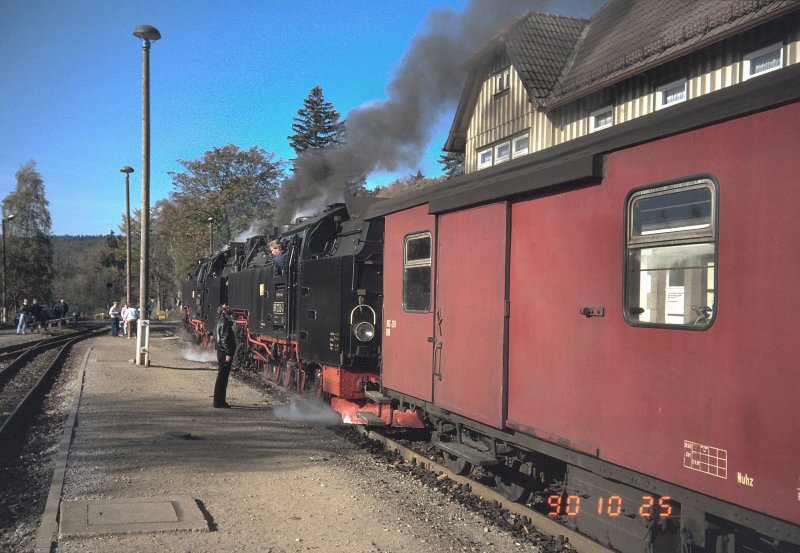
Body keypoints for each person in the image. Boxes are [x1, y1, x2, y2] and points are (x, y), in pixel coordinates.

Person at [212, 304, 237, 408]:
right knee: (222, 378)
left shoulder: (218, 321)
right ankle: (219, 402)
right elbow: (224, 339)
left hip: (220, 352)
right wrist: (228, 353)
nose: (229, 315)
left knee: (222, 378)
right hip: (224, 353)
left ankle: (220, 401)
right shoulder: (224, 322)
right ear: (224, 312)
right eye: (228, 312)